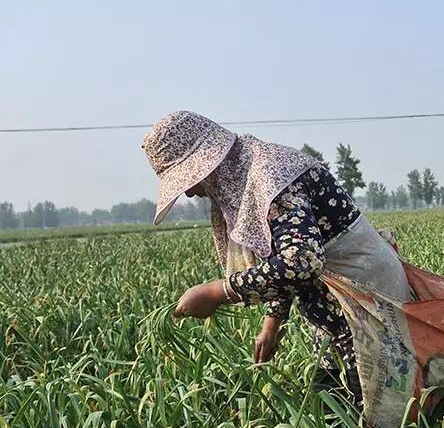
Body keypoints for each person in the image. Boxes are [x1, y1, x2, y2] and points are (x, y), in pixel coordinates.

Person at [142, 110, 412, 407]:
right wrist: (273, 321)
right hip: (333, 314)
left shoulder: (269, 174)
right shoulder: (248, 171)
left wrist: (218, 291)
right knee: (331, 409)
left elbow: (302, 261)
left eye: (189, 179)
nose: (191, 193)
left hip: (364, 304)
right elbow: (280, 252)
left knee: (381, 424)